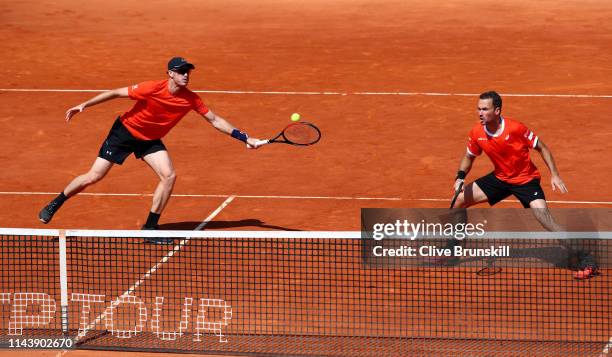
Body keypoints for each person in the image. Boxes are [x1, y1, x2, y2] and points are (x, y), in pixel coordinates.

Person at [39, 57, 262, 240]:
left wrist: (245, 138)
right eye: (181, 71)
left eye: (188, 72)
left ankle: (150, 228)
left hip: (150, 139)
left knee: (169, 176)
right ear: (170, 73)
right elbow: (116, 92)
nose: (186, 75)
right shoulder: (152, 88)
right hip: (124, 133)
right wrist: (84, 104)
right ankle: (55, 203)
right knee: (94, 176)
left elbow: (215, 120)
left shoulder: (191, 99)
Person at [451, 91, 597, 279]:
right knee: (458, 202)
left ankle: (586, 259)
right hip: (500, 178)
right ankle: (452, 250)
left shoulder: (516, 129)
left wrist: (555, 175)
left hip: (526, 180)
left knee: (545, 220)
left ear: (497, 110)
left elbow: (542, 147)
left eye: (485, 109)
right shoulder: (477, 132)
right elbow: (468, 156)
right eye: (478, 109)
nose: (480, 113)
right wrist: (460, 176)